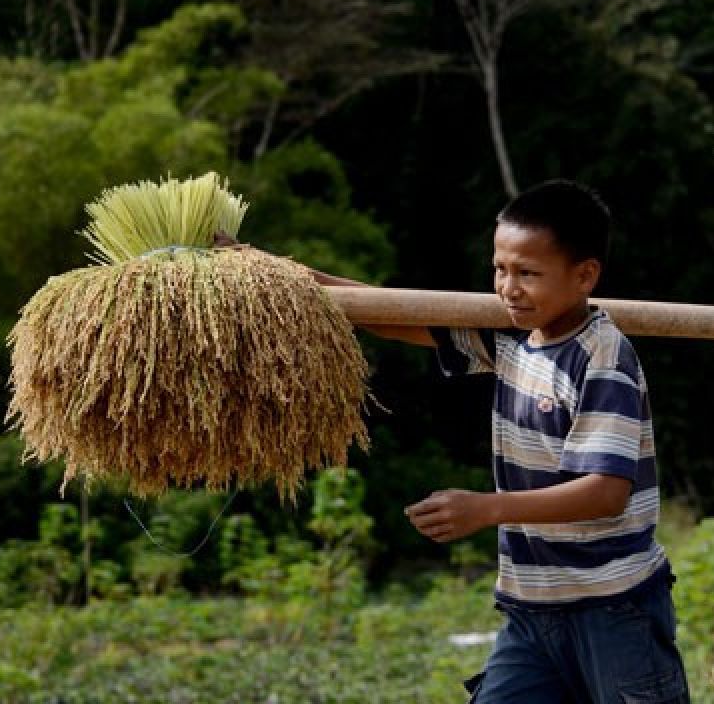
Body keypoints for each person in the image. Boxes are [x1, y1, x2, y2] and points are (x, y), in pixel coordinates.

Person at [229, 179, 689, 702]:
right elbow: (387, 314)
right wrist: (267, 271)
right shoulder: (514, 334)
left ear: (584, 276)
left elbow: (605, 492)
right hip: (532, 609)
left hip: (613, 606)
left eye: (528, 274)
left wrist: (485, 509)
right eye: (501, 269)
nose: (509, 287)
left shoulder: (601, 357)